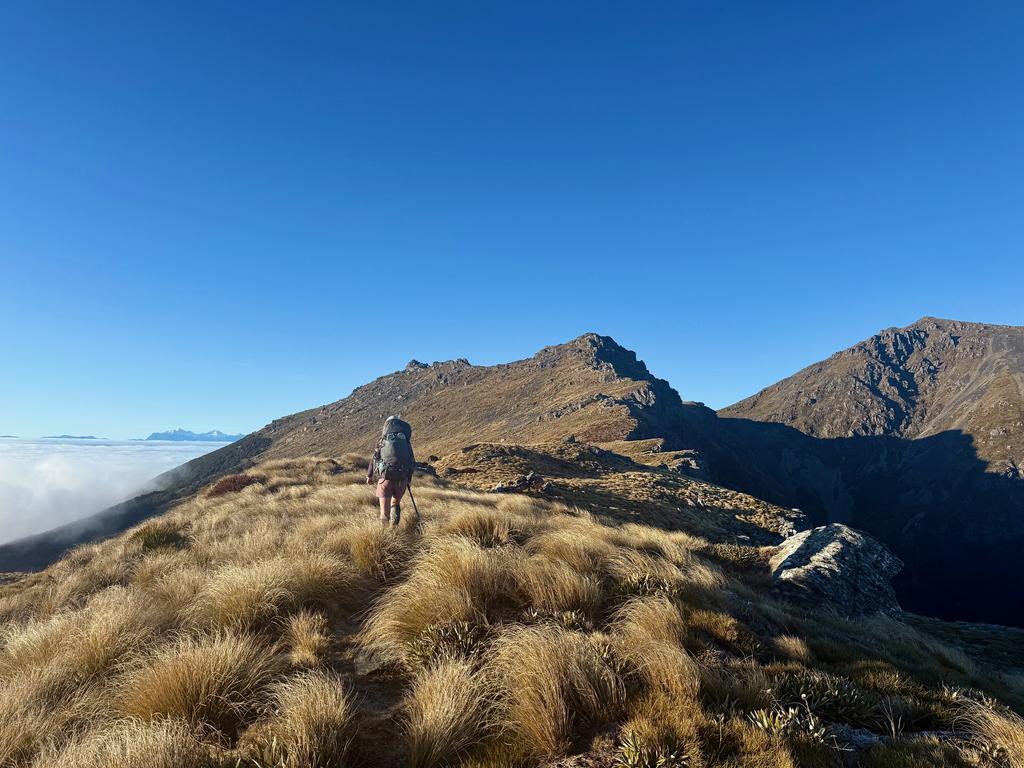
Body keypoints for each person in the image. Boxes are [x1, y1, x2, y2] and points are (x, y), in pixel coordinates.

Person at [366, 415, 416, 527]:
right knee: (395, 503)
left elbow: (374, 459)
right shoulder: (405, 441)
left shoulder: (382, 440)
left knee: (384, 512)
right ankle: (394, 530)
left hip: (385, 478)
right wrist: (408, 478)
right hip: (401, 479)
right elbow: (412, 461)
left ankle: (385, 537)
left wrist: (369, 476)